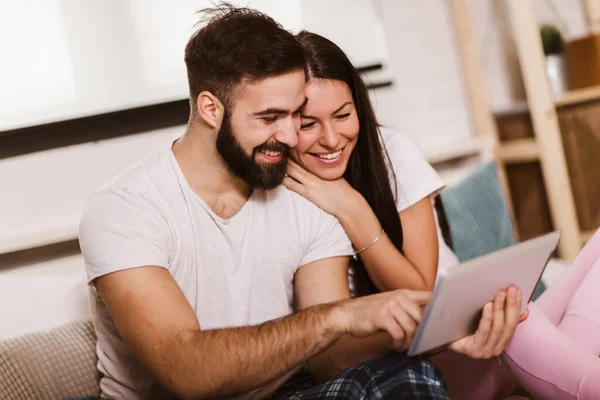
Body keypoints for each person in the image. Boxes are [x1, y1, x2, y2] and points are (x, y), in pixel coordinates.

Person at [78, 5, 459, 400]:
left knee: (408, 376)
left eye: (297, 115)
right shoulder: (123, 210)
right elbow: (188, 372)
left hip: (284, 394)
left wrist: (422, 331)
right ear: (211, 108)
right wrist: (339, 317)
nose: (292, 136)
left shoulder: (303, 191)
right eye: (270, 117)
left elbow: (328, 362)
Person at [284, 30, 600, 400]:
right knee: (514, 322)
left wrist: (354, 209)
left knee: (517, 317)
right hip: (427, 364)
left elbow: (423, 287)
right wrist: (350, 211)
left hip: (474, 341)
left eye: (343, 115)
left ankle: (546, 376)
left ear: (359, 107)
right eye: (308, 125)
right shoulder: (299, 195)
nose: (332, 139)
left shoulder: (391, 153)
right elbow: (406, 305)